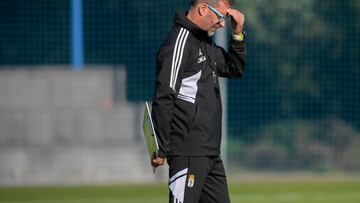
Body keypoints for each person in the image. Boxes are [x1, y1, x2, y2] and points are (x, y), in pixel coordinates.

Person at [151, 0, 246, 202]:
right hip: (188, 152)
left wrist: (237, 34)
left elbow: (234, 69)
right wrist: (160, 146)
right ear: (203, 9)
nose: (222, 24)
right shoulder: (180, 43)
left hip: (209, 153)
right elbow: (164, 95)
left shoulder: (204, 42)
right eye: (221, 17)